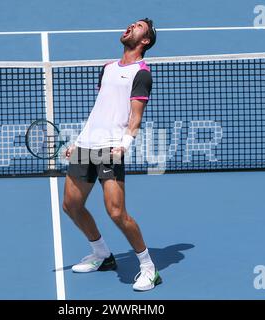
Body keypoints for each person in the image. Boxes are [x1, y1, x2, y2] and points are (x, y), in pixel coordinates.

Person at [62, 18, 160, 291]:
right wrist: (78, 140)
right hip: (85, 146)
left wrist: (124, 145)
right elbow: (101, 109)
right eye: (131, 24)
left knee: (116, 212)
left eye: (138, 26)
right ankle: (102, 254)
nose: (130, 26)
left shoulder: (142, 73)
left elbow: (135, 118)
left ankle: (148, 268)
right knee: (71, 205)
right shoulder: (107, 68)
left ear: (145, 41)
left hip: (110, 149)